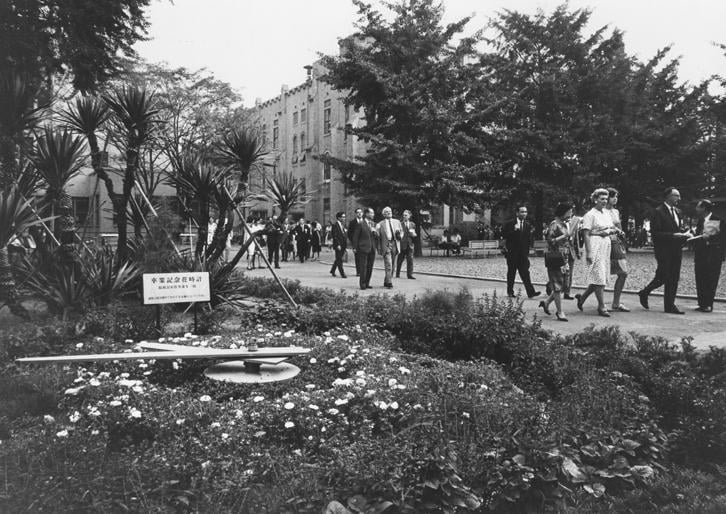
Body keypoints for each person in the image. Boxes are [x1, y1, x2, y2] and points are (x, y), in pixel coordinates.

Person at [638, 187, 692, 314]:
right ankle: (648, 294)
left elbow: (676, 228)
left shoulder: (677, 211)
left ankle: (667, 304)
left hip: (676, 249)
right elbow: (656, 233)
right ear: (668, 196)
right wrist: (674, 235)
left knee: (673, 277)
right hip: (664, 250)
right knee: (664, 276)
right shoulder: (658, 212)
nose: (679, 198)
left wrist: (684, 234)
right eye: (676, 195)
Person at [575, 188, 618, 317]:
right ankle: (601, 306)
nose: (604, 201)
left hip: (605, 246)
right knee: (599, 276)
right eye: (601, 199)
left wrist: (610, 231)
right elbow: (586, 234)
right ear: (595, 200)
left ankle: (582, 298)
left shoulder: (606, 214)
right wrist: (589, 252)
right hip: (594, 245)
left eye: (606, 199)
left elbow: (611, 227)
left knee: (600, 276)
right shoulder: (590, 215)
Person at [540, 202, 572, 321]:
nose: (570, 215)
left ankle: (546, 302)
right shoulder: (554, 224)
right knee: (557, 285)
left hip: (564, 257)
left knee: (563, 284)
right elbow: (550, 241)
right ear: (562, 212)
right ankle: (559, 312)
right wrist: (564, 236)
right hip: (556, 257)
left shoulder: (563, 224)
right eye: (569, 212)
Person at [501, 205, 541, 298]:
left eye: (525, 212)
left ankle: (531, 292)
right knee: (511, 273)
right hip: (512, 253)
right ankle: (510, 291)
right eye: (522, 212)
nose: (524, 214)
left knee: (525, 273)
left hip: (523, 254)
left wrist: (527, 252)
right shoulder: (510, 224)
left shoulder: (527, 225)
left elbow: (528, 239)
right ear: (517, 213)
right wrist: (514, 230)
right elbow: (505, 235)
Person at [693, 199, 725, 312]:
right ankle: (702, 303)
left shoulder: (718, 220)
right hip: (700, 254)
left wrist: (710, 238)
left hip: (713, 254)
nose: (696, 209)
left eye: (698, 206)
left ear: (704, 208)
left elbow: (723, 238)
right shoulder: (700, 220)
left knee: (711, 279)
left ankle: (708, 304)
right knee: (700, 278)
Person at [606, 188, 630, 312]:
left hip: (616, 244)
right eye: (613, 196)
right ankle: (583, 298)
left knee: (623, 273)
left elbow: (619, 227)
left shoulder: (615, 211)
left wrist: (622, 235)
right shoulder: (602, 212)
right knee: (601, 275)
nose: (615, 199)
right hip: (606, 243)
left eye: (616, 196)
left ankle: (616, 302)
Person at [376, 206, 402, 288]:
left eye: (390, 211)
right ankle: (389, 282)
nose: (389, 212)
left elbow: (402, 232)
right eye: (386, 212)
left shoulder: (397, 222)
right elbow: (378, 237)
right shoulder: (380, 224)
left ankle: (386, 280)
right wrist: (376, 230)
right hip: (386, 244)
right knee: (388, 264)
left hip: (395, 244)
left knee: (393, 265)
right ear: (384, 214)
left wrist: (400, 235)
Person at [351, 207, 377, 290]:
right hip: (363, 248)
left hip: (372, 248)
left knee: (370, 267)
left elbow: (376, 237)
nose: (373, 215)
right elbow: (355, 237)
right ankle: (362, 284)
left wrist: (375, 233)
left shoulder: (373, 224)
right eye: (371, 213)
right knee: (363, 266)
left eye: (373, 213)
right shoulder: (360, 224)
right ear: (367, 214)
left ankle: (367, 283)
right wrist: (355, 247)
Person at [563, 205, 581, 300]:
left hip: (571, 251)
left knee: (569, 272)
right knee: (561, 272)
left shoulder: (574, 223)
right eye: (568, 212)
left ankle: (567, 292)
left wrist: (578, 252)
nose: (570, 214)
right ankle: (551, 286)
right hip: (561, 252)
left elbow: (576, 238)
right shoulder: (557, 223)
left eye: (571, 212)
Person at [396, 209, 416, 279]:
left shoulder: (412, 224)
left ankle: (410, 275)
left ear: (409, 216)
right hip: (402, 244)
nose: (404, 216)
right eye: (403, 215)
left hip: (410, 244)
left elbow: (414, 234)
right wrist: (399, 236)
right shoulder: (400, 224)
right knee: (400, 260)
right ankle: (397, 273)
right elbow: (397, 234)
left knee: (410, 259)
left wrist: (414, 235)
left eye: (406, 215)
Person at [330, 211, 348, 278]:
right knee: (340, 259)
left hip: (343, 244)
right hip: (338, 245)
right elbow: (334, 236)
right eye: (342, 217)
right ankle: (342, 273)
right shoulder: (335, 225)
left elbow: (344, 234)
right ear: (338, 218)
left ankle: (332, 270)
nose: (344, 218)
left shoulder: (343, 225)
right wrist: (338, 244)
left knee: (338, 258)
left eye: (344, 217)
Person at [348, 208, 364, 276]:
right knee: (357, 258)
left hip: (364, 243)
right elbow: (349, 233)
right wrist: (353, 241)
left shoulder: (365, 221)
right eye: (358, 212)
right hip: (356, 243)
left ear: (362, 213)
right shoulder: (352, 222)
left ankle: (364, 271)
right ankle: (358, 272)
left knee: (364, 257)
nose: (359, 213)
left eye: (361, 212)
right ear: (356, 214)